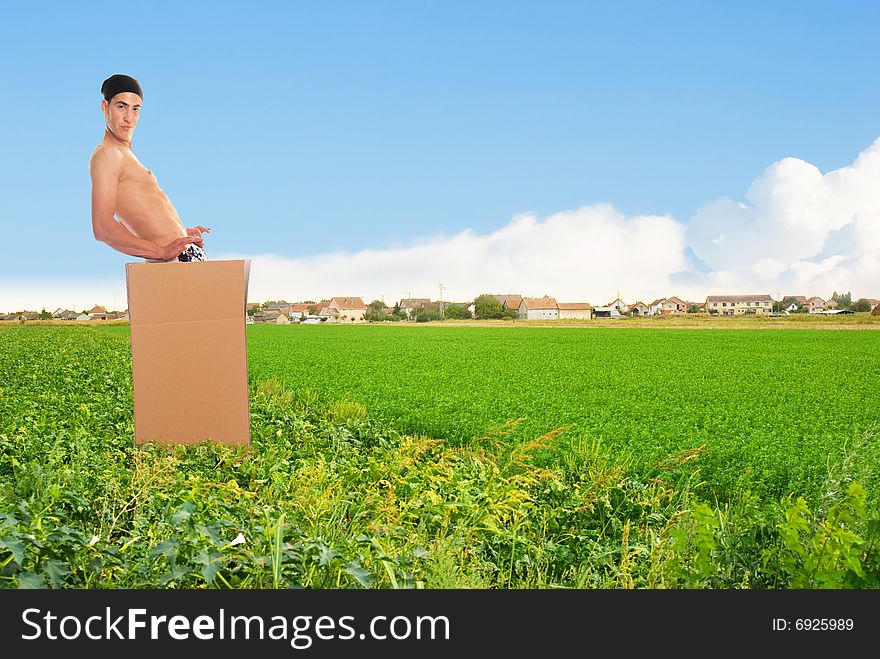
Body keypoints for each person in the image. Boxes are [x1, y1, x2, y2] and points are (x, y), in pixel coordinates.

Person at [90, 74, 210, 263]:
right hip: (169, 262)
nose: (129, 118)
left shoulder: (125, 154)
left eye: (135, 109)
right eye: (121, 107)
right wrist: (161, 251)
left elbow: (134, 217)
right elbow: (102, 227)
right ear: (105, 107)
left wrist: (177, 233)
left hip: (185, 256)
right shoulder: (108, 154)